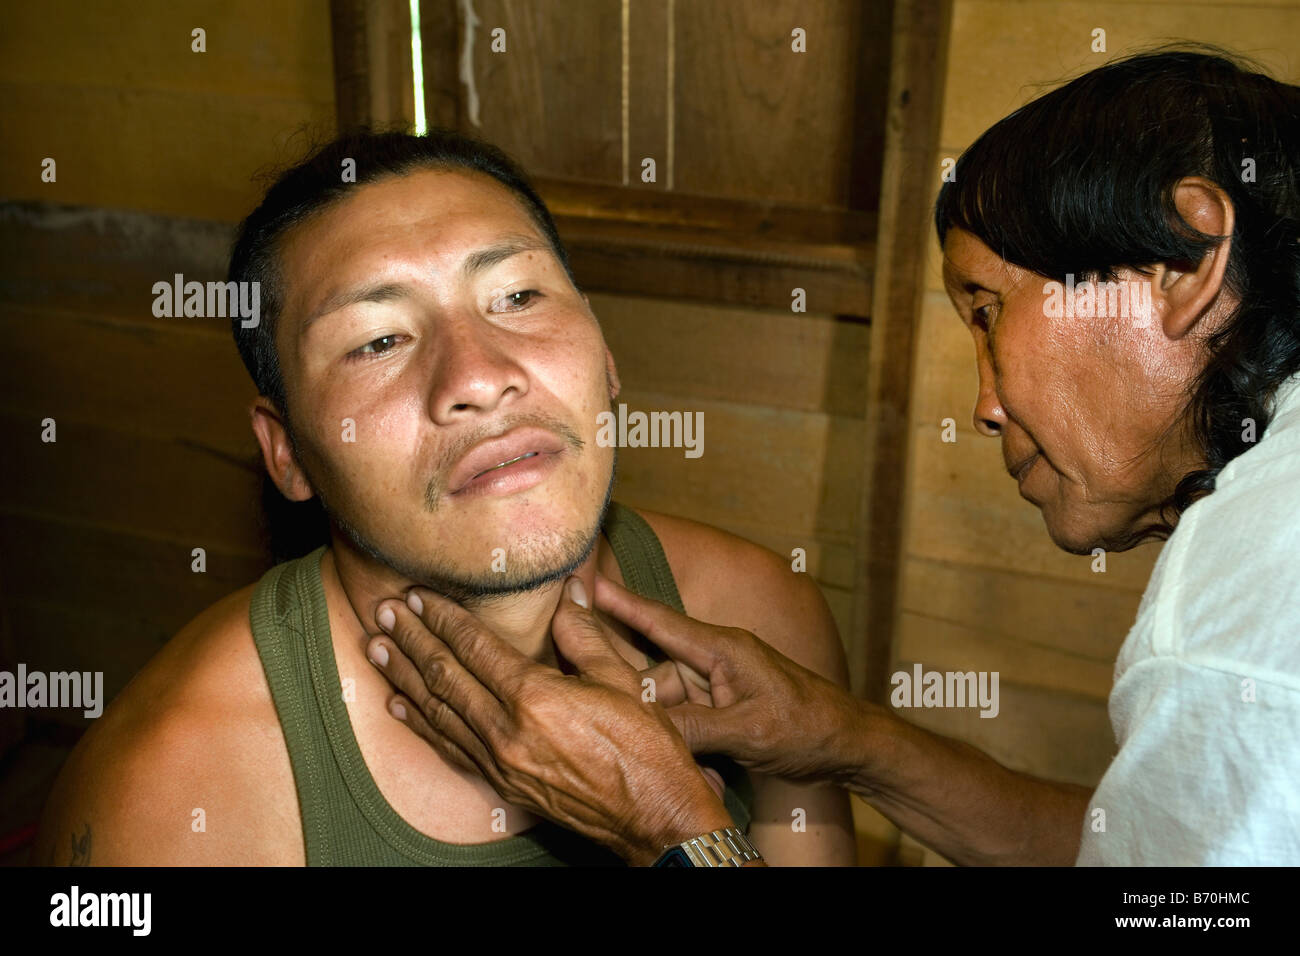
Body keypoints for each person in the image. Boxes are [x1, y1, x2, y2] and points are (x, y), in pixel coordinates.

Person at [371, 48, 1300, 865]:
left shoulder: (1226, 631)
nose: (984, 405)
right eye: (376, 340)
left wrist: (677, 833)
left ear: (1189, 259)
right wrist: (842, 740)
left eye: (987, 311)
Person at [33, 130, 855, 866]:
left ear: (604, 353)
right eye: (378, 341)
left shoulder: (760, 630)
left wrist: (679, 830)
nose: (478, 377)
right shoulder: (174, 794)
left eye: (519, 297)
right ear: (288, 454)